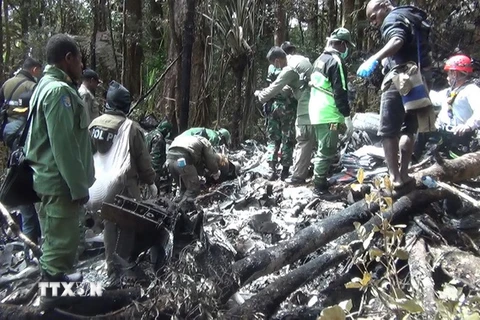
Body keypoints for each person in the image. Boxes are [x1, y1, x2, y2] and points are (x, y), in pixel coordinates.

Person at [25, 34, 94, 309]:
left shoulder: (44, 85)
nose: (81, 66)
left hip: (51, 182)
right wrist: (79, 188)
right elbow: (64, 146)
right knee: (56, 252)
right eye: (79, 59)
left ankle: (59, 294)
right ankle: (52, 307)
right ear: (69, 59)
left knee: (58, 246)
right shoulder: (59, 93)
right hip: (59, 185)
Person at [357, 0, 432, 191]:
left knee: (388, 130)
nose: (374, 22)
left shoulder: (392, 18)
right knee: (409, 128)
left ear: (384, 5)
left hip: (401, 79)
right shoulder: (412, 17)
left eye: (374, 17)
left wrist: (374, 59)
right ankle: (405, 174)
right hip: (421, 79)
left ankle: (394, 177)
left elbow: (397, 40)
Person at [88, 81, 158, 285]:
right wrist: (151, 181)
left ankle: (111, 266)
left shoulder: (94, 124)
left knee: (109, 224)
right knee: (127, 225)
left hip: (97, 187)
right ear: (125, 105)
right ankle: (122, 269)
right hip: (124, 186)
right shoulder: (130, 128)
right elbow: (142, 160)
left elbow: (85, 154)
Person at [0, 57, 42, 248]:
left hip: (10, 135)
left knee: (19, 178)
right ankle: (35, 239)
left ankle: (29, 239)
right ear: (34, 69)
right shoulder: (33, 87)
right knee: (33, 186)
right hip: (27, 139)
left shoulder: (7, 84)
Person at [308, 28, 355, 198]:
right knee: (326, 150)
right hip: (329, 112)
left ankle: (321, 180)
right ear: (342, 44)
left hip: (316, 110)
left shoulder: (320, 59)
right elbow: (340, 91)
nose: (347, 49)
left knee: (323, 147)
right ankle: (319, 187)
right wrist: (347, 116)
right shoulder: (336, 61)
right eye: (347, 45)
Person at [259, 48, 313, 185]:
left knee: (301, 136)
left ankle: (297, 176)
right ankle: (287, 171)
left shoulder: (289, 68)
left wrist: (260, 96)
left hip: (306, 100)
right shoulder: (298, 59)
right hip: (299, 104)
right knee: (287, 139)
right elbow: (287, 89)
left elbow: (276, 88)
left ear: (277, 61)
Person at [254, 47, 298, 181]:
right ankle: (285, 171)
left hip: (273, 106)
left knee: (273, 139)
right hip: (288, 107)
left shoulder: (272, 68)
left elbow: (269, 87)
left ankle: (272, 169)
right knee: (287, 139)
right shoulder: (290, 67)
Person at [426, 55, 480, 156]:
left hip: (460, 138)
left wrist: (468, 125)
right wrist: (422, 87)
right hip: (442, 136)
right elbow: (434, 98)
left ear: (455, 74)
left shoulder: (471, 90)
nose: (447, 77)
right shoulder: (449, 92)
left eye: (449, 73)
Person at [166, 135, 226, 204]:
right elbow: (210, 160)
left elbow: (197, 163)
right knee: (193, 189)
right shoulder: (204, 141)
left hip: (169, 159)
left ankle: (174, 205)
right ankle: (181, 210)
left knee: (183, 188)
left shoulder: (189, 139)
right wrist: (215, 172)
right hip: (183, 159)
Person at [145, 120, 173, 188]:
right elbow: (156, 156)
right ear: (165, 130)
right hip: (153, 168)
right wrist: (157, 171)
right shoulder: (158, 138)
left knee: (147, 188)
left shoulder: (150, 134)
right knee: (153, 189)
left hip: (146, 165)